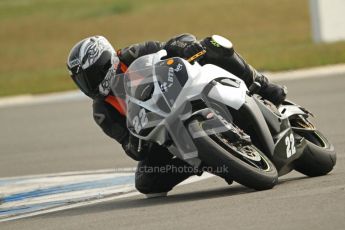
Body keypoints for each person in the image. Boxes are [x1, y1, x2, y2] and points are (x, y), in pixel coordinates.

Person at [66, 34, 287, 197]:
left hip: (184, 89)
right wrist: (136, 144)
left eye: (91, 76)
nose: (89, 85)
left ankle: (262, 85)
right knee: (145, 182)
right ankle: (202, 161)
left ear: (106, 61)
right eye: (82, 81)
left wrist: (186, 46)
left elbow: (169, 45)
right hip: (164, 131)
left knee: (213, 44)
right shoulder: (102, 112)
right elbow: (129, 146)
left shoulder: (132, 54)